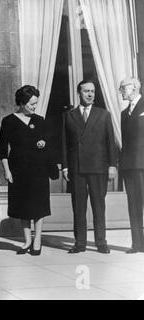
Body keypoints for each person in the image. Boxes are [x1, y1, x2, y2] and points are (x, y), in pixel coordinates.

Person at [62, 80, 117, 254]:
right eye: (86, 91)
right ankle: (80, 243)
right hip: (76, 167)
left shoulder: (104, 114)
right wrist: (64, 167)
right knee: (78, 206)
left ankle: (101, 242)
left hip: (98, 166)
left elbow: (110, 143)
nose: (90, 94)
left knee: (98, 206)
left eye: (92, 91)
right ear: (79, 93)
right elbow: (63, 143)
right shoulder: (69, 115)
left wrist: (112, 165)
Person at [0, 85, 51, 256]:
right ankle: (27, 240)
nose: (34, 107)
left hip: (38, 169)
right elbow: (2, 150)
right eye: (31, 104)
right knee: (23, 205)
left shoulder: (40, 120)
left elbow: (48, 142)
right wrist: (7, 171)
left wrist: (43, 143)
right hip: (18, 169)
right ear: (21, 102)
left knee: (39, 205)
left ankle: (38, 240)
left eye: (35, 104)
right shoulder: (8, 121)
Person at [119, 77, 144, 253]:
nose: (121, 91)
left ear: (134, 88)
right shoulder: (123, 113)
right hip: (129, 165)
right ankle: (137, 244)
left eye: (122, 88)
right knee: (133, 205)